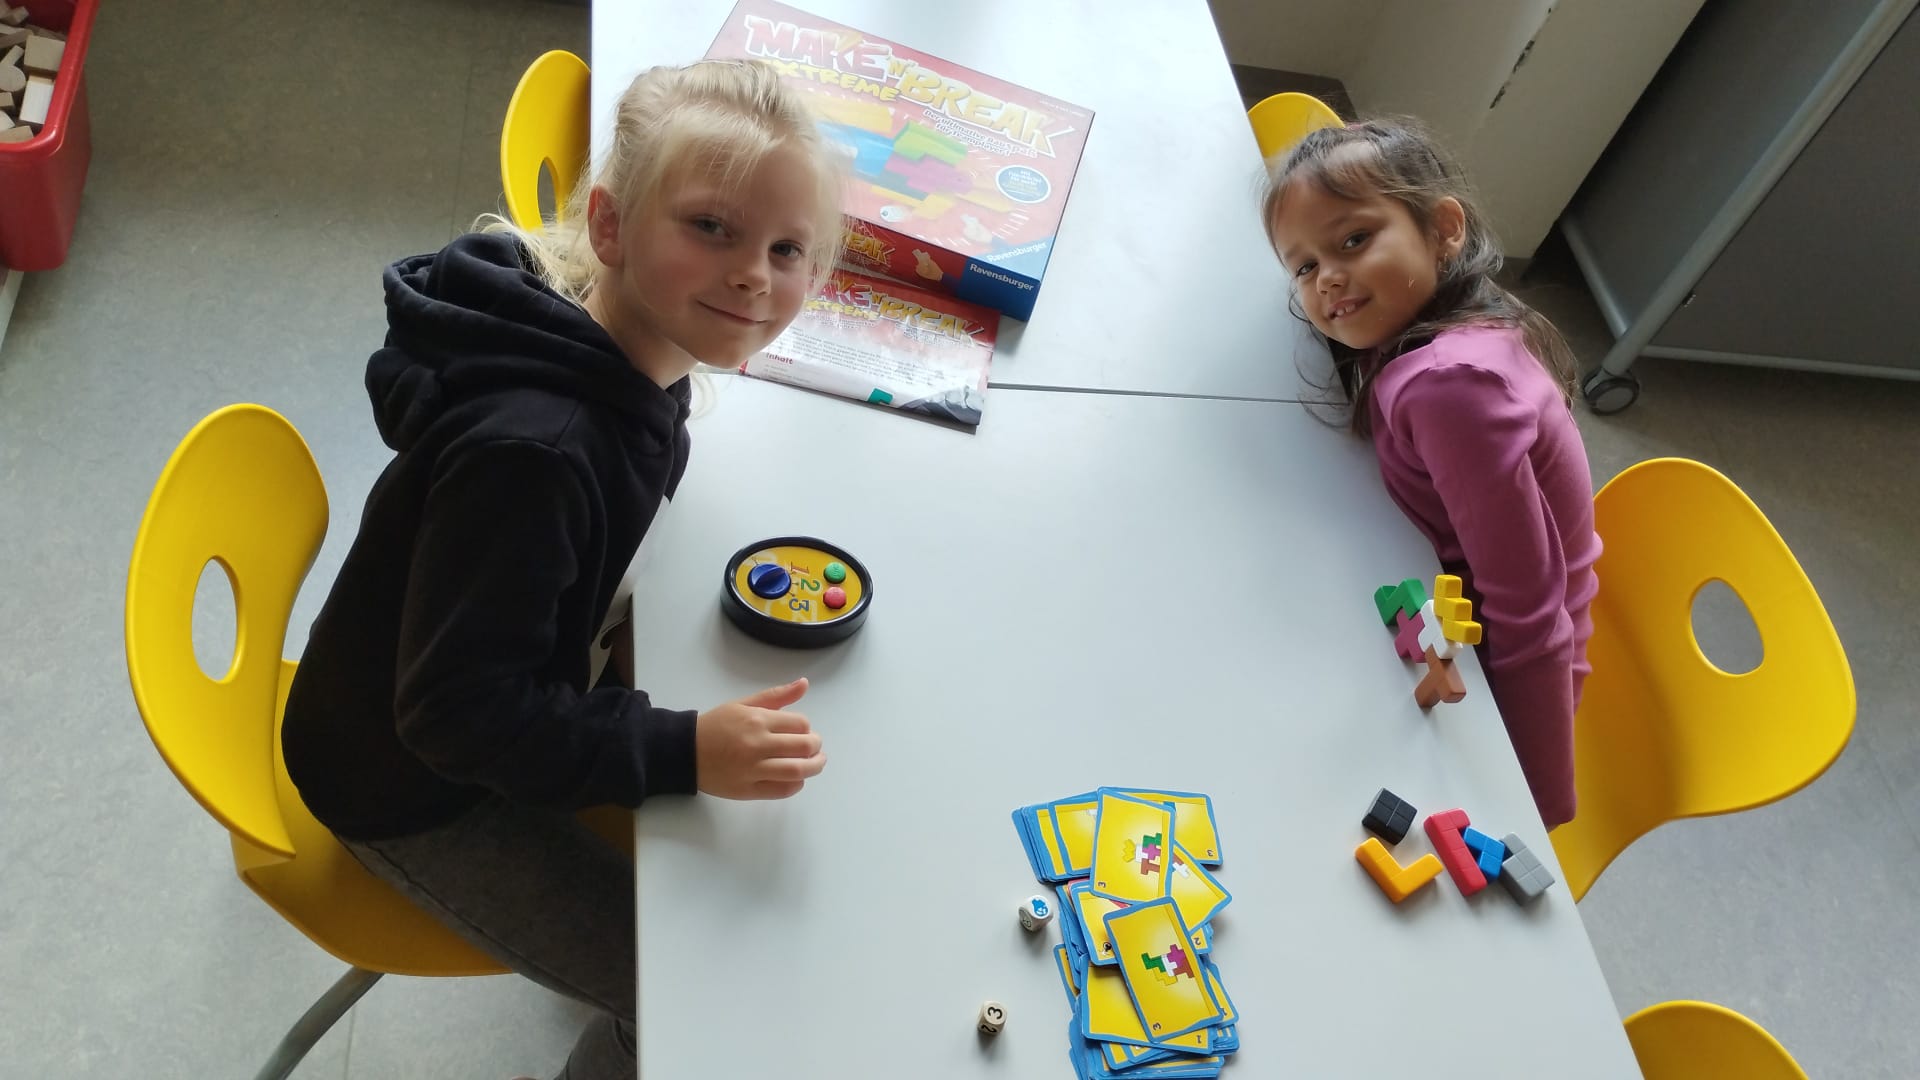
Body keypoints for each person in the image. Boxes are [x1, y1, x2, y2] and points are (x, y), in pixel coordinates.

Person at [280, 60, 845, 1079]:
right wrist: (679, 749)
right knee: (683, 997)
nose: (755, 277)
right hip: (407, 788)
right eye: (711, 228)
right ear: (611, 227)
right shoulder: (537, 456)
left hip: (449, 690)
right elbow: (458, 719)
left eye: (786, 249)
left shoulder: (635, 358)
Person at [1261, 117, 1599, 828]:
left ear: (1444, 229)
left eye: (1354, 240)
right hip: (1445, 591)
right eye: (1304, 267)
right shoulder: (1439, 317)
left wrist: (1531, 802)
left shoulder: (1451, 388)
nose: (1329, 278)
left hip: (1504, 669)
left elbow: (1530, 617)